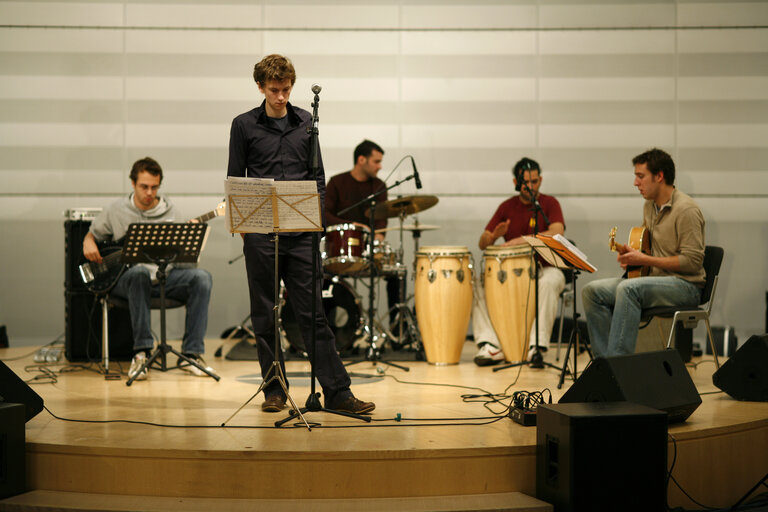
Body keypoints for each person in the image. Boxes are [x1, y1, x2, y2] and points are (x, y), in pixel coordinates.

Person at [227, 54, 375, 414]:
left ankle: (338, 393)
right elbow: (235, 179)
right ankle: (274, 389)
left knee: (313, 315)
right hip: (261, 234)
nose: (281, 97)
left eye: (286, 89)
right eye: (274, 90)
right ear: (260, 87)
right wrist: (248, 230)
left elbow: (319, 178)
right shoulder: (243, 125)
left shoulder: (306, 122)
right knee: (264, 314)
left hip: (301, 234)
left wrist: (316, 224)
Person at [82, 157, 215, 381]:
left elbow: (185, 263)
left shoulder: (172, 213)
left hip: (165, 277)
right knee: (139, 273)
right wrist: (88, 240)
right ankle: (141, 353)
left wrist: (189, 243)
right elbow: (92, 234)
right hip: (129, 281)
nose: (149, 192)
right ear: (133, 184)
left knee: (202, 278)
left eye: (154, 187)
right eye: (144, 186)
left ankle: (191, 353)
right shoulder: (115, 210)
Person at [582, 148, 705, 358]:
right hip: (654, 281)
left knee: (629, 289)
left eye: (640, 176)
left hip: (686, 285)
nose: (635, 183)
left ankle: (619, 367)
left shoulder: (686, 210)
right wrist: (632, 256)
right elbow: (647, 247)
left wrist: (645, 259)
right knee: (591, 291)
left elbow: (692, 262)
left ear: (659, 176)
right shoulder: (649, 206)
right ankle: (603, 364)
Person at [473, 157, 566, 366]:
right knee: (478, 284)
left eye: (535, 181)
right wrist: (493, 236)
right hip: (511, 275)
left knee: (549, 282)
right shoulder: (506, 207)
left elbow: (557, 231)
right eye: (526, 183)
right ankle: (490, 345)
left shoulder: (549, 204)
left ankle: (537, 347)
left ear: (540, 179)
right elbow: (482, 243)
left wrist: (521, 240)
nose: (531, 187)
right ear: (516, 182)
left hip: (546, 269)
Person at [325, 139, 403, 334]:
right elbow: (323, 214)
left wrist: (378, 240)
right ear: (361, 160)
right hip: (339, 251)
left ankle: (398, 330)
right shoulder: (336, 182)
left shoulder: (379, 186)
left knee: (397, 275)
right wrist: (350, 226)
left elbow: (382, 221)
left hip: (368, 252)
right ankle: (327, 332)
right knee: (319, 276)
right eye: (376, 161)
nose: (380, 166)